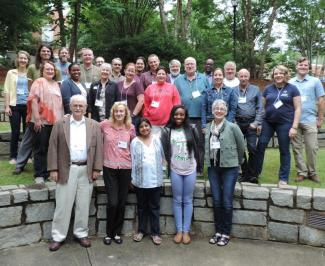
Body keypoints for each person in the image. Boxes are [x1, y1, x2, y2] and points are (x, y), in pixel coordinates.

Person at [47, 95, 103, 252]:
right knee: (63, 204)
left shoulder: (94, 125)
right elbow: (52, 147)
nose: (78, 108)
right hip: (67, 169)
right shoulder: (60, 124)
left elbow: (99, 148)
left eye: (81, 106)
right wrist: (53, 169)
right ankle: (58, 236)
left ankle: (81, 233)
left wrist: (97, 169)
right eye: (75, 105)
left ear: (86, 108)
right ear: (70, 107)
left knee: (83, 204)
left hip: (86, 170)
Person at [14, 62, 64, 183]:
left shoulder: (56, 84)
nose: (50, 71)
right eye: (47, 69)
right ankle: (39, 175)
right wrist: (37, 119)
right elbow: (33, 100)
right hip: (40, 121)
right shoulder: (39, 82)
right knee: (39, 148)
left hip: (54, 122)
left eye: (52, 69)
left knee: (49, 148)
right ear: (42, 70)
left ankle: (47, 172)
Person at [205, 99, 245, 246]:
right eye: (216, 108)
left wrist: (236, 162)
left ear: (226, 111)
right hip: (213, 168)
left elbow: (241, 147)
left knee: (227, 201)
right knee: (216, 200)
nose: (219, 110)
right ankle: (218, 232)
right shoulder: (208, 127)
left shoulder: (233, 127)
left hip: (230, 168)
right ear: (212, 110)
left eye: (222, 108)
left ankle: (226, 233)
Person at [161, 105, 202, 245]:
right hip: (175, 170)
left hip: (190, 169)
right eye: (176, 114)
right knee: (177, 200)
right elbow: (165, 151)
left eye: (181, 115)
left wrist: (200, 166)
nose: (179, 117)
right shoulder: (167, 130)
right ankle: (179, 231)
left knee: (188, 200)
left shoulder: (192, 128)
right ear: (172, 115)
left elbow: (198, 147)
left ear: (185, 116)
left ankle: (186, 231)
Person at [254, 65, 301, 186]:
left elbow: (298, 108)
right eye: (276, 74)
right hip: (268, 122)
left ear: (285, 75)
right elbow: (261, 107)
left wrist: (294, 126)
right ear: (273, 76)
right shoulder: (268, 89)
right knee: (261, 145)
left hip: (285, 123)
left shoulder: (293, 89)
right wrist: (259, 122)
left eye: (281, 73)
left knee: (284, 150)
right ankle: (255, 174)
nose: (278, 75)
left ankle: (283, 178)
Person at [101, 102, 136, 245]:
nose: (119, 113)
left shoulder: (131, 128)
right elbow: (90, 129)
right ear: (113, 112)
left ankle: (116, 233)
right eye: (117, 111)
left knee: (121, 203)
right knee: (113, 202)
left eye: (122, 111)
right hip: (109, 167)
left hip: (126, 168)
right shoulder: (104, 125)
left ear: (126, 113)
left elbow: (134, 147)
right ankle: (108, 233)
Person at [289, 57, 325, 183]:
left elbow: (321, 100)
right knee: (297, 148)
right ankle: (301, 172)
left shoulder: (315, 81)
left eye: (305, 65)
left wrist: (320, 118)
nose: (303, 67)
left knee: (312, 147)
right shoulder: (291, 82)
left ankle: (312, 172)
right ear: (296, 66)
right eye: (300, 65)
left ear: (308, 67)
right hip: (294, 121)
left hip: (310, 120)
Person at [131, 118, 165, 245]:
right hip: (140, 181)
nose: (144, 128)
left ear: (150, 127)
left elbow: (162, 157)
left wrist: (163, 173)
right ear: (138, 129)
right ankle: (141, 231)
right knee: (142, 208)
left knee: (154, 208)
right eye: (141, 127)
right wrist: (132, 178)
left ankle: (155, 233)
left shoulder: (156, 139)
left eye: (147, 126)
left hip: (155, 180)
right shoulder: (134, 142)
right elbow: (133, 161)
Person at [174, 57, 209, 168]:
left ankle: (199, 167)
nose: (189, 66)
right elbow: (174, 96)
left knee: (200, 143)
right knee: (184, 142)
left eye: (192, 64)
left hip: (200, 117)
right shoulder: (178, 80)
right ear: (184, 66)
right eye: (187, 64)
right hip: (183, 117)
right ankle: (185, 165)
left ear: (196, 66)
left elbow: (208, 95)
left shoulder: (203, 78)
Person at [235, 69, 263, 183]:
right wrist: (233, 122)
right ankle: (245, 173)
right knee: (240, 150)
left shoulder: (256, 89)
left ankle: (253, 174)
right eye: (241, 76)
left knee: (252, 148)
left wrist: (256, 123)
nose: (243, 78)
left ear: (249, 76)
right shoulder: (233, 91)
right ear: (238, 77)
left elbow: (260, 108)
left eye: (245, 76)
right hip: (238, 123)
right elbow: (231, 107)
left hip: (251, 123)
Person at [4, 51, 31, 164]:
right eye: (21, 58)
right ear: (17, 59)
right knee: (15, 132)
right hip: (14, 106)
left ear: (28, 60)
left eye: (25, 58)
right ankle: (13, 157)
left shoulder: (30, 73)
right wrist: (6, 106)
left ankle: (27, 157)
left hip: (27, 106)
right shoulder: (11, 73)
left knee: (27, 132)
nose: (23, 60)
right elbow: (6, 90)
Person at [143, 66, 181, 135]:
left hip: (168, 122)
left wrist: (175, 119)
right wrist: (147, 118)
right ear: (156, 75)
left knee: (167, 143)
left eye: (163, 74)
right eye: (159, 74)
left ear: (166, 76)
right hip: (153, 123)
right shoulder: (150, 88)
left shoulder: (172, 87)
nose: (161, 75)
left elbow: (177, 104)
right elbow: (146, 104)